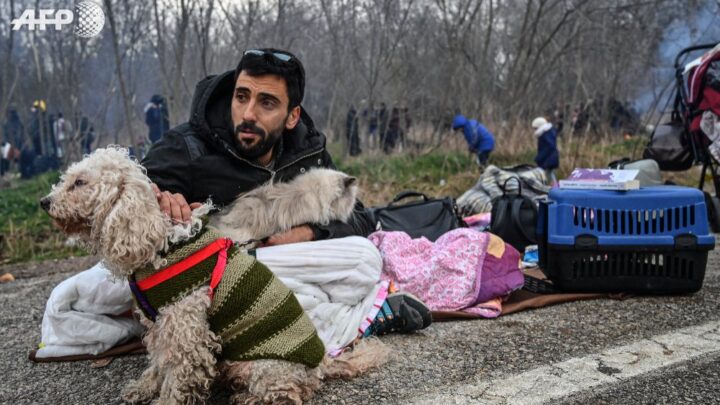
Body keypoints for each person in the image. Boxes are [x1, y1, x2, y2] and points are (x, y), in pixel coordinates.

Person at [37, 49, 431, 362]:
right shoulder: (189, 145)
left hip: (267, 266)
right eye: (242, 96)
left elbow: (359, 215)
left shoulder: (307, 154)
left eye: (266, 103)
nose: (247, 113)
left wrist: (306, 233)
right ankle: (349, 320)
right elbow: (134, 186)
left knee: (365, 258)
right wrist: (161, 198)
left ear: (292, 116)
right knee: (66, 303)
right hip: (193, 274)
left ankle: (250, 327)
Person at [531, 116, 559, 184]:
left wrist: (539, 157)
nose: (534, 130)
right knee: (550, 173)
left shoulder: (545, 134)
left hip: (548, 159)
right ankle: (555, 186)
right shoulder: (549, 132)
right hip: (551, 158)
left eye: (535, 128)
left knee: (540, 173)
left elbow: (549, 146)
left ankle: (542, 186)